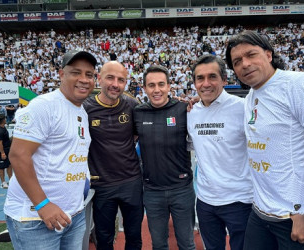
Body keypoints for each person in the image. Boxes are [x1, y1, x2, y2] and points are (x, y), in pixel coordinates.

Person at [225, 30, 304, 249]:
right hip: (262, 214)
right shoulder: (251, 96)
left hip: (299, 219)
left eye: (251, 54)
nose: (245, 64)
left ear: (269, 55)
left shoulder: (300, 85)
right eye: (237, 61)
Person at [3, 50, 97, 250]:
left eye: (89, 75)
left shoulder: (81, 111)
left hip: (73, 215)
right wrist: (42, 204)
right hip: (36, 218)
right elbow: (18, 156)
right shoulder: (43, 106)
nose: (83, 79)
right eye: (76, 73)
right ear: (62, 75)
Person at [187, 54, 253, 250]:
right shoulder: (190, 112)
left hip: (241, 200)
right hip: (206, 201)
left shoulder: (243, 108)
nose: (206, 84)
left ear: (225, 80)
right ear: (194, 83)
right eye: (200, 78)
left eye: (212, 77)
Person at [133, 65, 195, 250]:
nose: (157, 90)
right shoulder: (138, 113)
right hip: (152, 192)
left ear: (169, 86)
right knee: (159, 245)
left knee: (187, 244)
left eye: (161, 84)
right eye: (151, 85)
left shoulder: (185, 108)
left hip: (182, 190)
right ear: (144, 88)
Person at [83, 61, 143, 250]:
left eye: (121, 80)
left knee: (134, 235)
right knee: (104, 237)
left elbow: (136, 134)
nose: (115, 84)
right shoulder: (85, 108)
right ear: (99, 78)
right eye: (110, 77)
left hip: (131, 181)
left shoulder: (132, 104)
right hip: (102, 184)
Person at [0, 114, 12, 189]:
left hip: (7, 149)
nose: (6, 119)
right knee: (1, 167)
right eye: (5, 119)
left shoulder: (3, 127)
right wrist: (2, 153)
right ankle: (3, 182)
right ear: (3, 120)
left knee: (9, 165)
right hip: (1, 151)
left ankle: (11, 180)